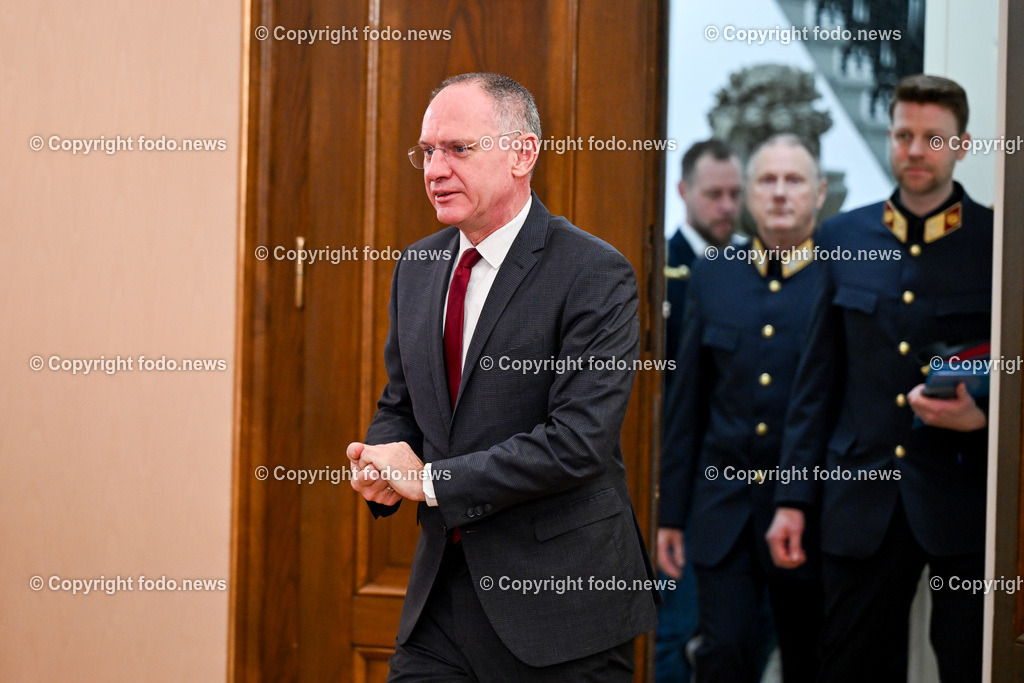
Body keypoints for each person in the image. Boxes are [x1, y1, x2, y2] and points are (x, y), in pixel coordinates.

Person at [347, 72, 659, 681]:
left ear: (523, 153)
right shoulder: (418, 265)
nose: (435, 168)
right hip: (439, 608)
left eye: (458, 149)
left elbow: (577, 443)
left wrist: (432, 480)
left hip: (562, 610)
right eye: (427, 151)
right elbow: (403, 403)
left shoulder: (595, 273)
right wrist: (383, 459)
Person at [767, 74, 992, 682]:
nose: (915, 150)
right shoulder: (842, 237)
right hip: (859, 497)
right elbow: (816, 383)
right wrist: (791, 499)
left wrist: (986, 416)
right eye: (903, 135)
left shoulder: (995, 242)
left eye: (932, 137)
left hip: (962, 500)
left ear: (962, 144)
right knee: (848, 666)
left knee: (969, 664)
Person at [660, 133, 827, 682]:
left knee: (808, 658)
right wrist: (670, 515)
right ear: (750, 196)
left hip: (812, 515)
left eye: (794, 180)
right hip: (722, 509)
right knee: (724, 653)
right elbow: (688, 403)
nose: (780, 194)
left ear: (819, 193)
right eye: (767, 180)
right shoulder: (713, 274)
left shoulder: (837, 276)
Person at [657, 139, 743, 682]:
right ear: (684, 192)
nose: (727, 206)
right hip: (676, 482)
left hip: (738, 485)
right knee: (672, 633)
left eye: (736, 194)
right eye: (714, 194)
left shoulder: (752, 271)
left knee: (742, 637)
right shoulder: (660, 271)